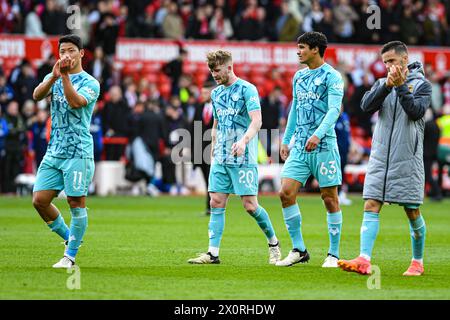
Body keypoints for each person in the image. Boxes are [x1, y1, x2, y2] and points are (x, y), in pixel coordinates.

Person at [338, 41, 432, 276]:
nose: (388, 66)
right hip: (380, 156)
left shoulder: (422, 85)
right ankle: (364, 259)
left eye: (392, 61)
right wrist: (387, 87)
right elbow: (364, 107)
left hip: (407, 158)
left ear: (404, 59)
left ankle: (417, 262)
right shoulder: (382, 83)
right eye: (385, 62)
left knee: (412, 211)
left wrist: (400, 87)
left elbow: (416, 112)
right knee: (370, 204)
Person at [188, 50, 281, 265]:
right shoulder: (216, 94)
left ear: (229, 67)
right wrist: (212, 140)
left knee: (250, 205)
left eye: (218, 70)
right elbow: (217, 121)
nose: (214, 75)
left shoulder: (248, 89)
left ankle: (273, 243)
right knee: (216, 201)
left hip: (243, 155)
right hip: (221, 155)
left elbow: (257, 121)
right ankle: (212, 253)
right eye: (212, 71)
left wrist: (244, 140)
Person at [276, 32, 345, 268]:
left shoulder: (332, 77)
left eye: (302, 47)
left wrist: (318, 134)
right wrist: (287, 139)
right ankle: (299, 250)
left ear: (315, 49)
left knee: (329, 198)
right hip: (301, 147)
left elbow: (334, 110)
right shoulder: (298, 77)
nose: (298, 51)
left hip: (324, 145)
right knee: (286, 192)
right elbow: (295, 108)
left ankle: (333, 254)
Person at [32, 35, 100, 269]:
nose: (66, 55)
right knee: (39, 200)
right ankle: (72, 238)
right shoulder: (54, 76)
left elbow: (75, 102)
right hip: (55, 150)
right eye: (63, 51)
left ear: (81, 53)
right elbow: (37, 95)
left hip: (78, 152)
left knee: (75, 202)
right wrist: (53, 77)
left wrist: (64, 78)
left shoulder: (91, 83)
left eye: (71, 50)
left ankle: (69, 256)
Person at [190, 81, 215, 215]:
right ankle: (210, 207)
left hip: (214, 151)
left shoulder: (220, 108)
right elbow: (194, 129)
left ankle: (212, 208)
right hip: (201, 151)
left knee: (212, 181)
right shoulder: (199, 108)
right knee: (207, 181)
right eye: (202, 93)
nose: (203, 95)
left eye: (205, 92)